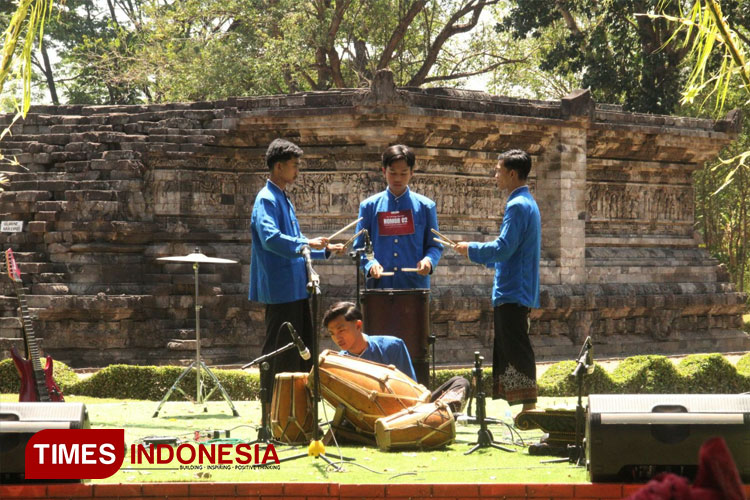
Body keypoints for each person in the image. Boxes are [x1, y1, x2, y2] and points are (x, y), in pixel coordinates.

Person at [249, 138, 343, 403]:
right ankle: (273, 407)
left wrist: (324, 250)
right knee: (280, 351)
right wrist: (306, 242)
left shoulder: (283, 199)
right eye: (293, 165)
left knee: (303, 351)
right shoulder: (266, 199)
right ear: (278, 167)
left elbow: (299, 246)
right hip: (280, 289)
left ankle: (300, 409)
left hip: (296, 287)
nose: (297, 171)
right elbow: (271, 239)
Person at [454, 149, 541, 414]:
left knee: (517, 348)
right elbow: (512, 252)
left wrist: (471, 249)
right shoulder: (527, 203)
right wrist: (478, 256)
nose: (495, 175)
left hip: (514, 289)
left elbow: (504, 248)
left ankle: (530, 406)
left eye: (498, 170)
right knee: (512, 348)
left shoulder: (517, 205)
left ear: (512, 173)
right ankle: (525, 405)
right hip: (517, 287)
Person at [322, 301, 469, 413]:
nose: (337, 338)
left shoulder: (392, 346)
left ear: (358, 326)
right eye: (332, 333)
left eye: (341, 330)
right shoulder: (340, 362)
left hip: (409, 410)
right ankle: (438, 417)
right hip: (369, 417)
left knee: (460, 382)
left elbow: (412, 389)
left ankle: (444, 415)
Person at [354, 144, 443, 289]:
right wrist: (371, 264)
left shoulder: (426, 207)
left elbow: (435, 246)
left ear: (412, 173)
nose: (398, 178)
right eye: (393, 173)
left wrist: (428, 261)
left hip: (414, 287)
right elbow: (360, 247)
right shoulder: (369, 207)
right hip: (379, 287)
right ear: (384, 171)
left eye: (403, 173)